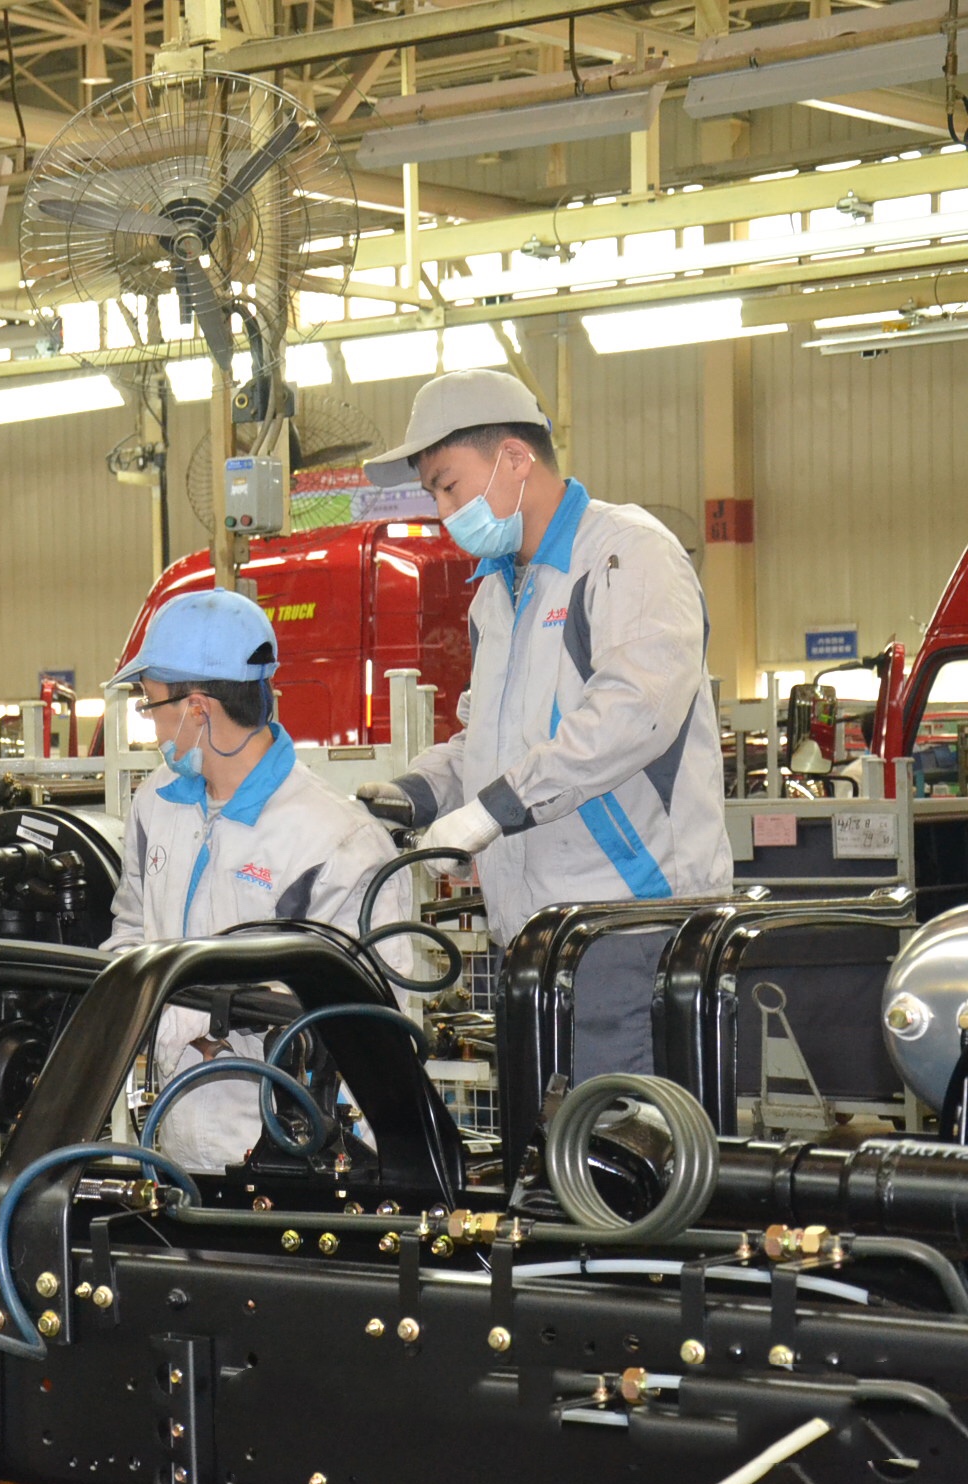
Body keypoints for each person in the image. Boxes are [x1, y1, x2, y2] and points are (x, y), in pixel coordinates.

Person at [354, 369, 732, 1077]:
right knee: (550, 1138)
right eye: (435, 494)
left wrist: (492, 810)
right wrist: (417, 793)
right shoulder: (497, 593)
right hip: (533, 935)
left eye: (448, 486)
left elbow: (634, 715)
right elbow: (489, 739)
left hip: (629, 928)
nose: (444, 512)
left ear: (514, 458)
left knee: (616, 1138)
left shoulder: (625, 555)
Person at [106, 590, 413, 1171]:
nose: (153, 728)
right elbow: (130, 930)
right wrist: (166, 1018)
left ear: (198, 709)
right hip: (175, 1148)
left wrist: (192, 1017)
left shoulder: (334, 841)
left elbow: (371, 1018)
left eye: (151, 705)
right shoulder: (155, 805)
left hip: (295, 1153)